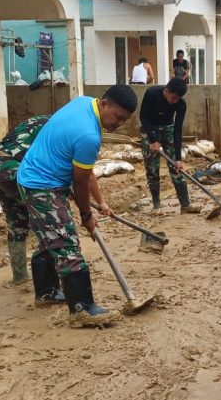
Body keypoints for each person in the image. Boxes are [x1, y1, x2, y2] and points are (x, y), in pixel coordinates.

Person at [17, 84, 139, 328]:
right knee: (66, 242)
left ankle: (46, 293)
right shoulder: (89, 136)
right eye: (117, 117)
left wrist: (101, 203)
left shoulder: (84, 103)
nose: (119, 124)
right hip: (43, 185)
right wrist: (87, 216)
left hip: (32, 177)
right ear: (104, 105)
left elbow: (86, 171)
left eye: (124, 120)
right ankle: (82, 309)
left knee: (49, 237)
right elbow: (80, 181)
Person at [0, 114, 50, 288]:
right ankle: (51, 278)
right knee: (48, 217)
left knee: (16, 222)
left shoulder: (39, 120)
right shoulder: (59, 129)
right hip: (15, 171)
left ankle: (20, 276)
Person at [139, 78, 201, 214]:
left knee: (176, 168)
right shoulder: (152, 93)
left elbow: (177, 130)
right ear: (166, 91)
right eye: (173, 98)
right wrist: (153, 140)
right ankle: (156, 205)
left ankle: (185, 205)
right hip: (149, 129)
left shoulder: (181, 104)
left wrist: (178, 158)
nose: (175, 101)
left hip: (168, 129)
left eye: (178, 98)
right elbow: (143, 117)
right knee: (152, 169)